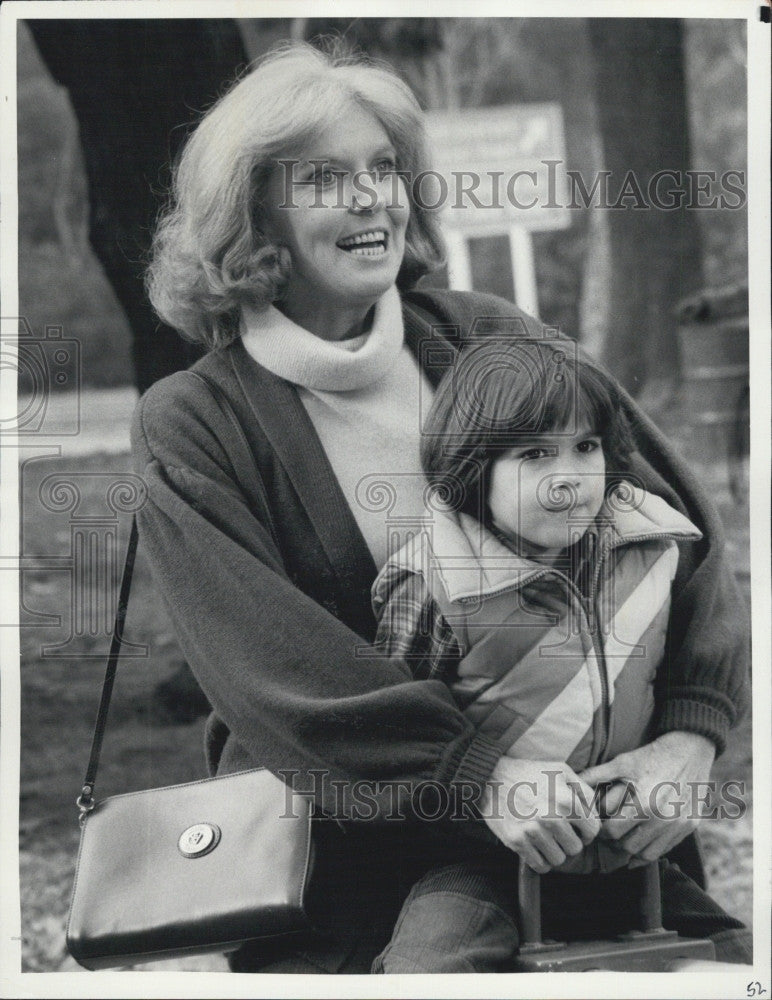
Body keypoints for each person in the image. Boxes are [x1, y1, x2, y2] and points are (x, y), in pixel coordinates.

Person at [131, 42, 751, 973]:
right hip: (350, 867)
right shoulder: (194, 422)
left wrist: (689, 742)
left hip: (589, 842)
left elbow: (677, 535)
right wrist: (479, 776)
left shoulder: (488, 334)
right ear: (253, 214)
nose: (372, 198)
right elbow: (270, 667)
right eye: (325, 180)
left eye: (384, 169)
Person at [369, 339, 750, 971]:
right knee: (430, 969)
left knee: (739, 962)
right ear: (471, 470)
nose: (569, 476)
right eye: (535, 454)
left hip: (629, 857)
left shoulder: (655, 548)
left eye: (585, 447)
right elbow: (394, 732)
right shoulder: (433, 584)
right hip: (482, 863)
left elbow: (698, 660)